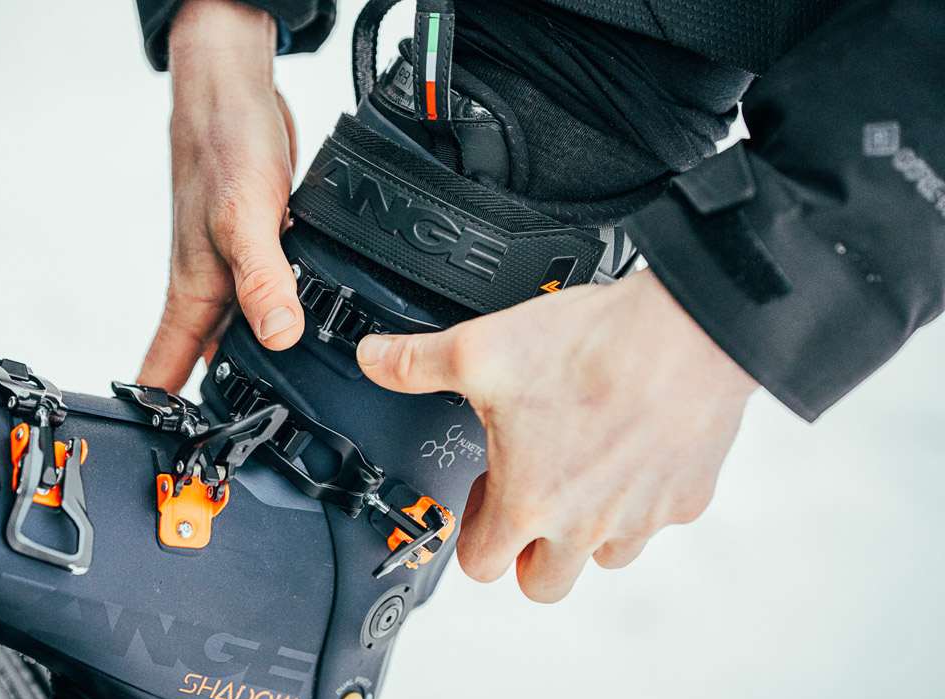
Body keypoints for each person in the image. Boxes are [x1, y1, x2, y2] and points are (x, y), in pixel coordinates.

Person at [135, 0, 944, 602]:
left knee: (265, 598)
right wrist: (218, 33)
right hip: (479, 86)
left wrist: (742, 302)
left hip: (575, 105)